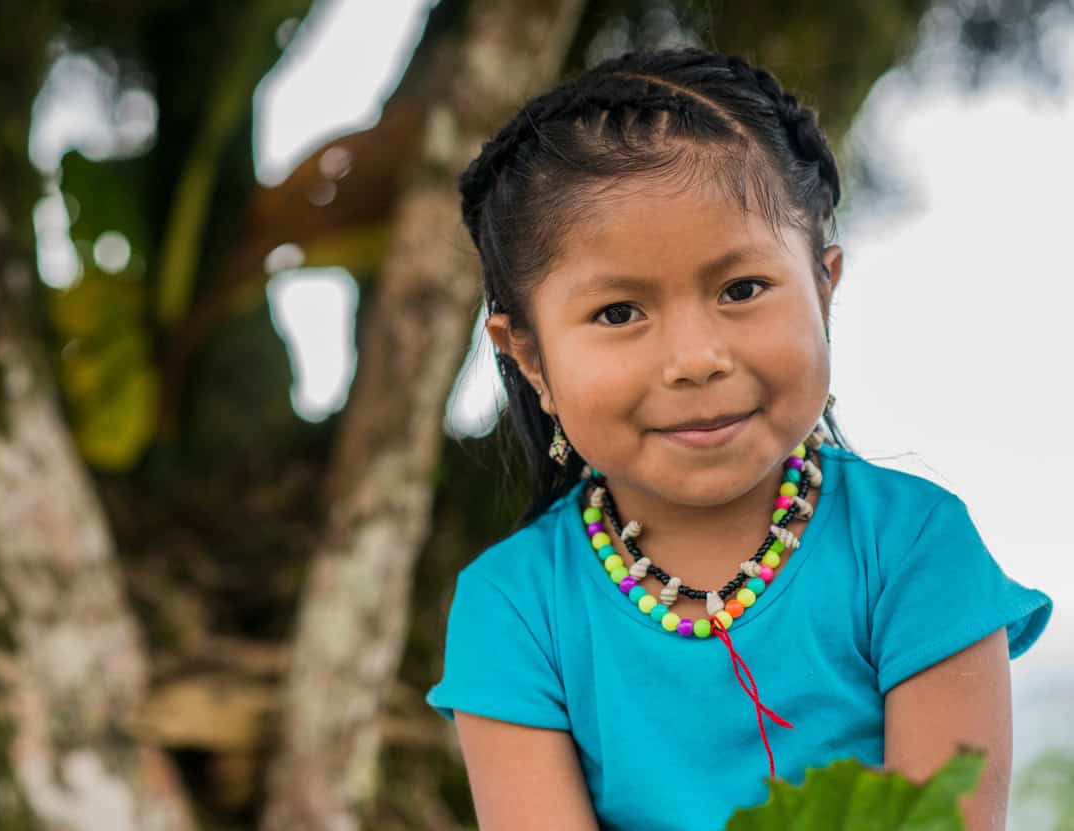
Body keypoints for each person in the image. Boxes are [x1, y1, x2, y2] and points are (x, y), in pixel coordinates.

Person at [424, 47, 1053, 831]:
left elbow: (939, 820)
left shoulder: (914, 546)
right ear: (530, 357)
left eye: (741, 289)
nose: (694, 359)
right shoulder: (513, 606)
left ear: (823, 289)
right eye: (619, 312)